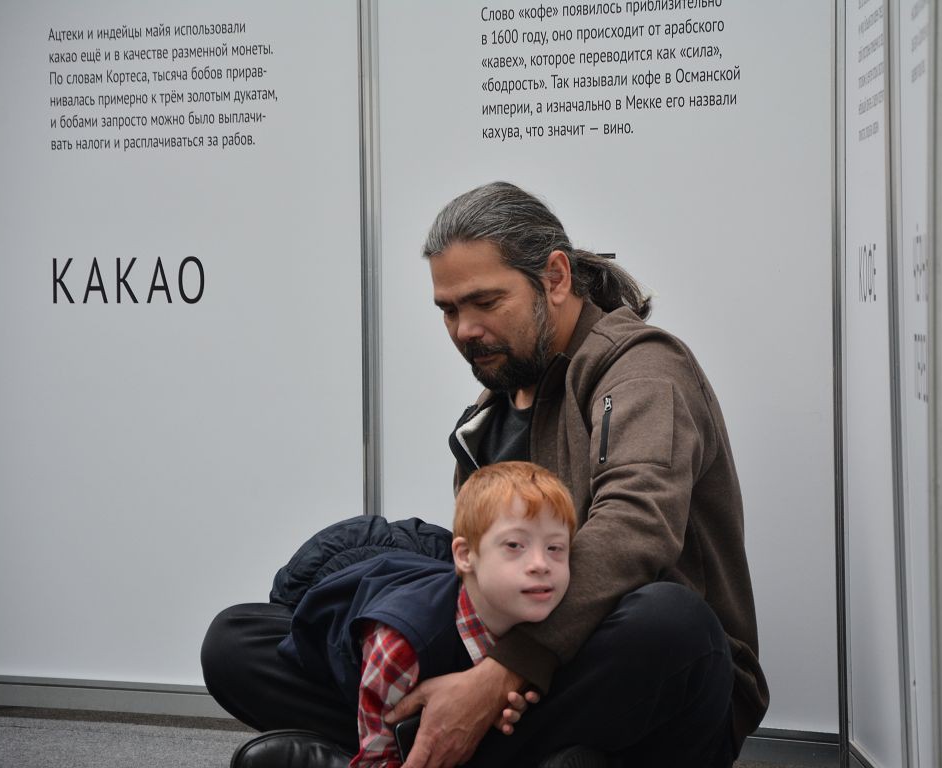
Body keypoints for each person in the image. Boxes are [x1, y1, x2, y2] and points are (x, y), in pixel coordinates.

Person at [203, 181, 769, 768]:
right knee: (238, 642)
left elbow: (636, 527)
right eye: (449, 310)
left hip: (634, 671)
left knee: (671, 623)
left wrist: (500, 674)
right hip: (520, 669)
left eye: (485, 302)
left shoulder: (641, 369)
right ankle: (453, 742)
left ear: (555, 278)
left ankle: (413, 748)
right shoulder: (490, 410)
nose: (464, 329)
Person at [279, 461, 575, 768]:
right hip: (329, 625)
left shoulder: (544, 609)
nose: (541, 564)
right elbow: (377, 758)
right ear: (465, 555)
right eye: (515, 545)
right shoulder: (398, 648)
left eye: (555, 548)